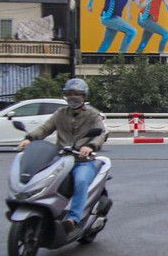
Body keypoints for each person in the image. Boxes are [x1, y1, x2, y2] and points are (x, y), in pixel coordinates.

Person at [18, 77, 107, 234]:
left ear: (84, 96)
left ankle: (73, 219)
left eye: (77, 94)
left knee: (80, 182)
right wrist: (29, 138)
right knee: (42, 178)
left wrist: (89, 146)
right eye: (70, 93)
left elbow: (100, 133)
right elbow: (45, 128)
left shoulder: (93, 114)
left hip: (82, 161)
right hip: (60, 159)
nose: (73, 97)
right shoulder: (60, 113)